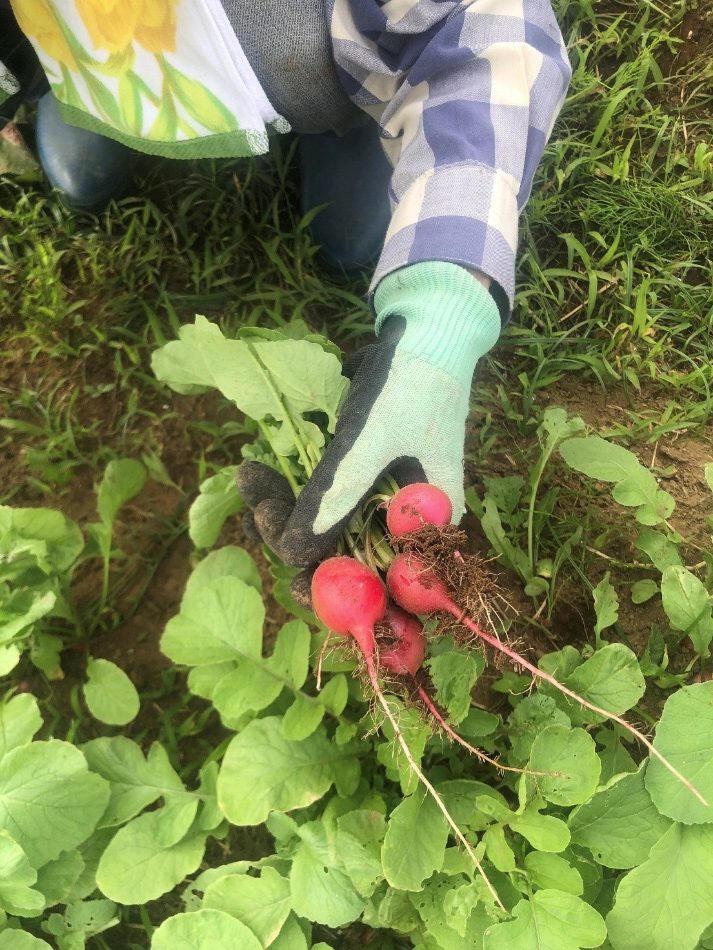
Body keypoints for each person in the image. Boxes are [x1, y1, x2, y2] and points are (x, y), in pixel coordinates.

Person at [1, 0, 571, 577]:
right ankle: (82, 104)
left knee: (345, 243)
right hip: (91, 67)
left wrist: (442, 313)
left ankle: (340, 106)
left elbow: (488, 23)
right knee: (81, 173)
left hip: (315, 67)